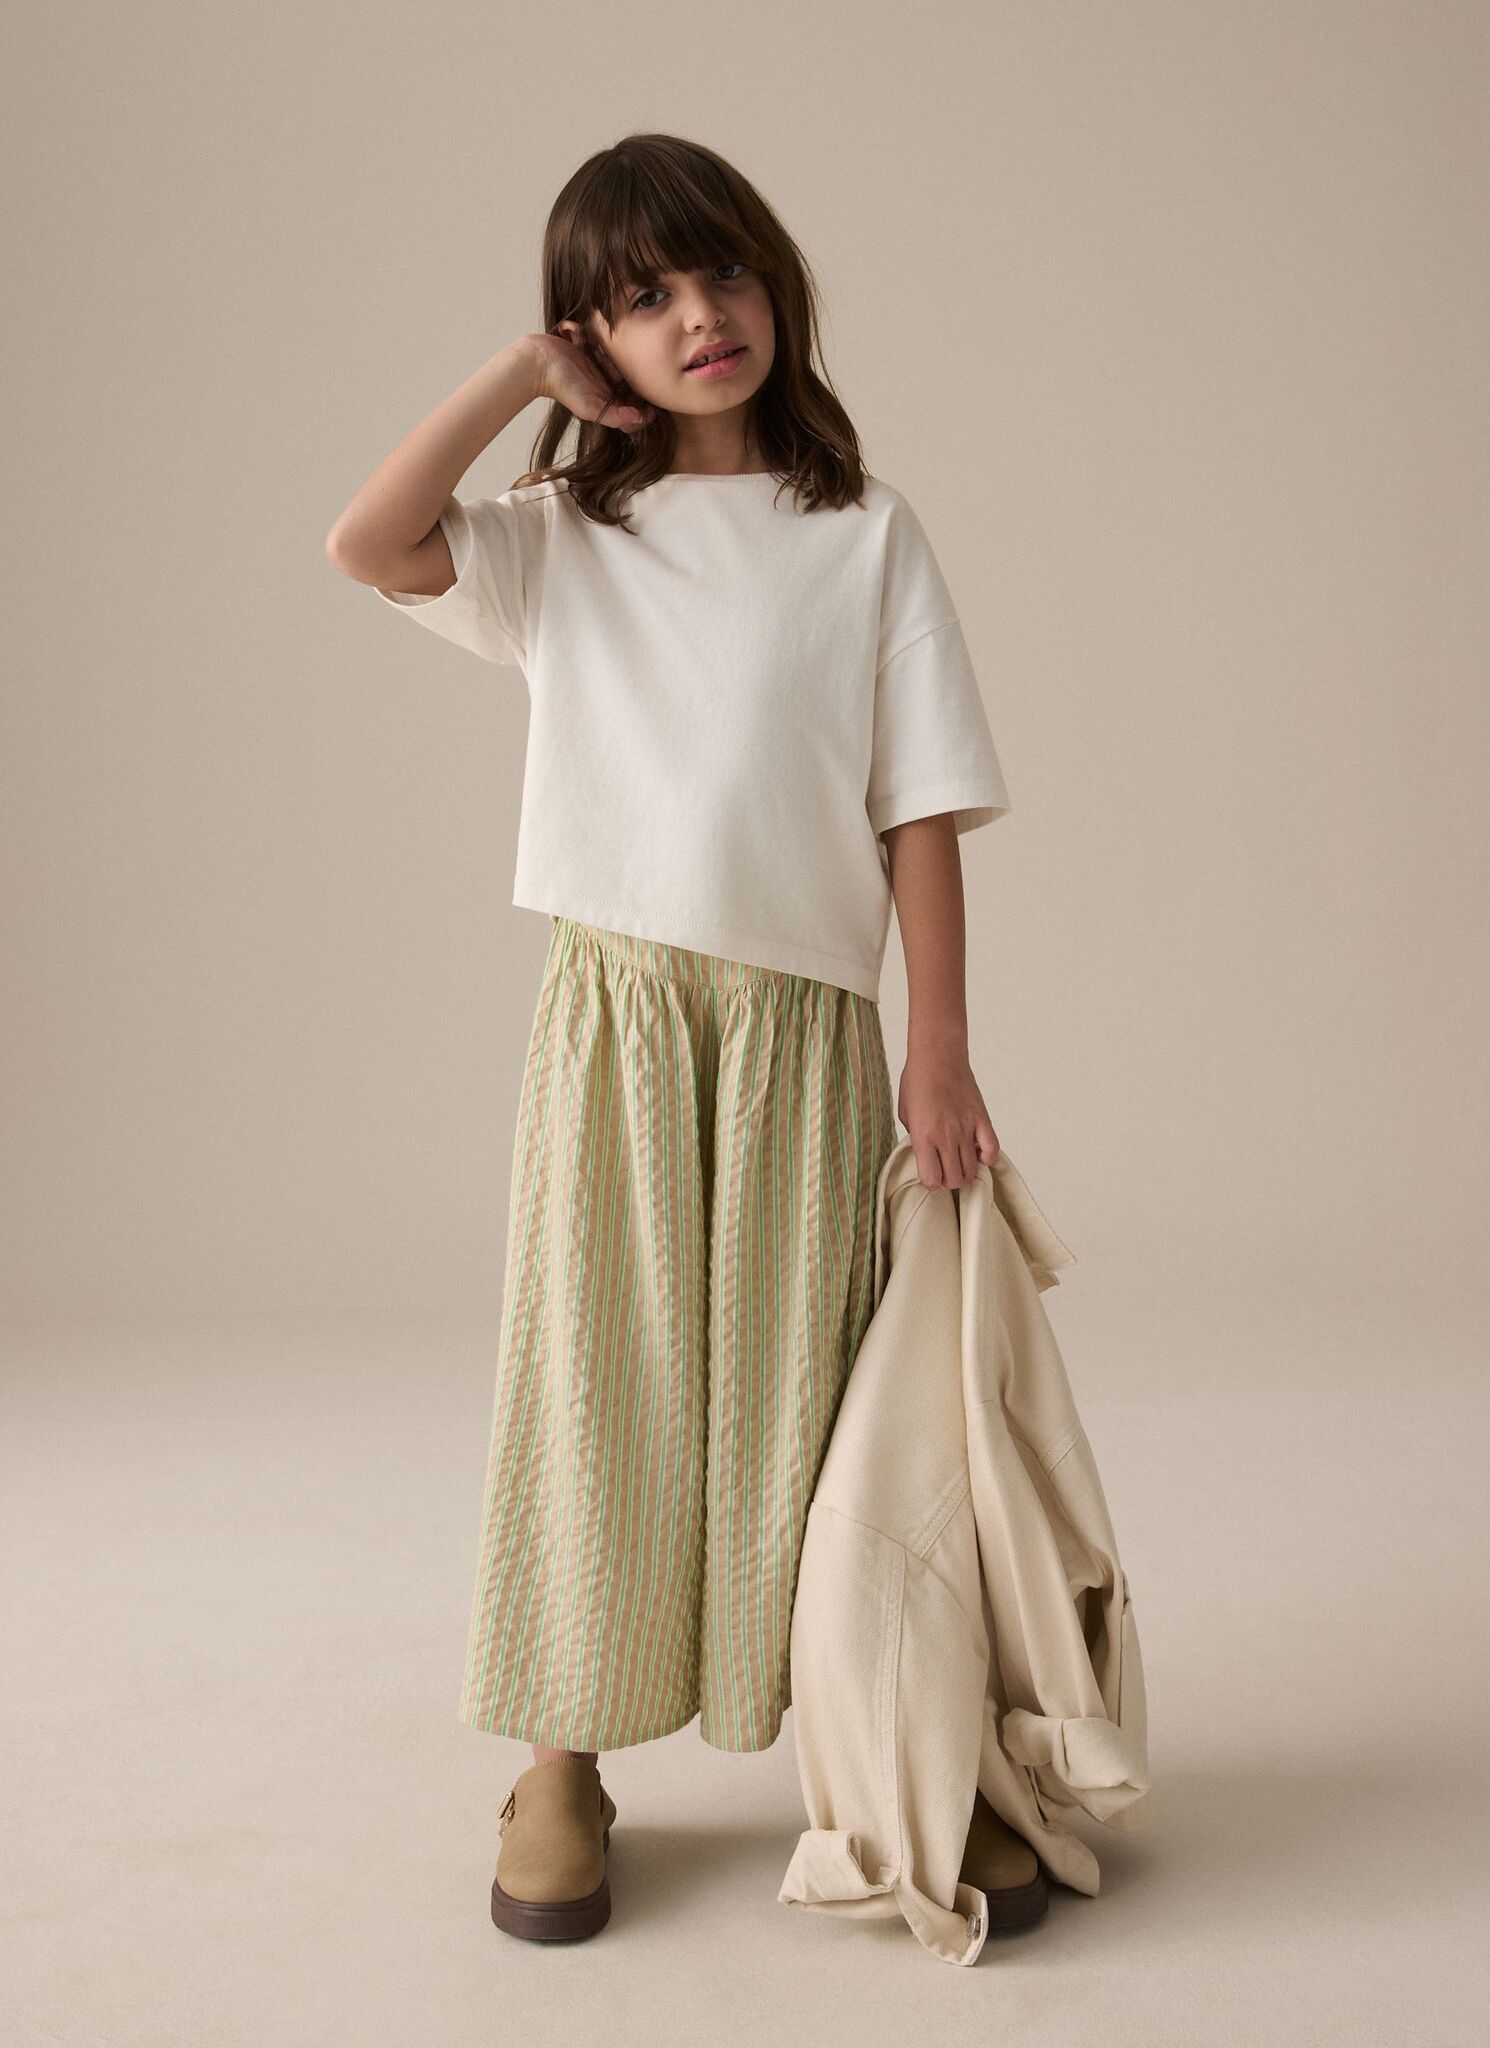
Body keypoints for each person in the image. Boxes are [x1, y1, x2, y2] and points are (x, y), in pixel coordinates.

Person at [326, 131, 1014, 1942]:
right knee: (599, 1384)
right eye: (643, 299)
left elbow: (918, 807)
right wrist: (514, 376)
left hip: (803, 1035)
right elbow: (365, 541)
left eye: (722, 275)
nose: (700, 316)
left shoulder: (864, 535)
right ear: (593, 340)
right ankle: (559, 1762)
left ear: (778, 285)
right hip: (620, 1023)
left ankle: (895, 1751)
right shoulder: (566, 541)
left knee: (818, 1404)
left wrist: (937, 1048)